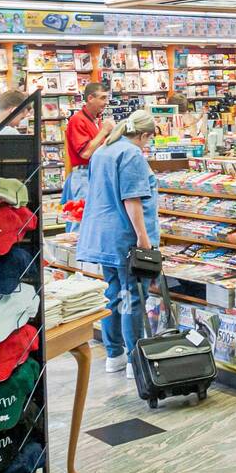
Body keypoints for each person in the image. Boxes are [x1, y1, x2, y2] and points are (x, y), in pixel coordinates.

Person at [76, 110, 160, 378]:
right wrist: (144, 240)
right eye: (149, 139)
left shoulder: (104, 150)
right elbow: (132, 199)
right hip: (126, 236)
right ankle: (135, 358)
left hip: (104, 236)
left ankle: (114, 354)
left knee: (113, 294)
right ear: (144, 135)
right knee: (133, 296)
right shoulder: (132, 154)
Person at [62, 83, 114, 231]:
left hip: (95, 173)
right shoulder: (78, 120)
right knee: (78, 221)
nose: (106, 102)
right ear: (90, 98)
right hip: (83, 174)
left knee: (91, 219)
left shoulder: (95, 120)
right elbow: (85, 153)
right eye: (102, 98)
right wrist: (104, 132)